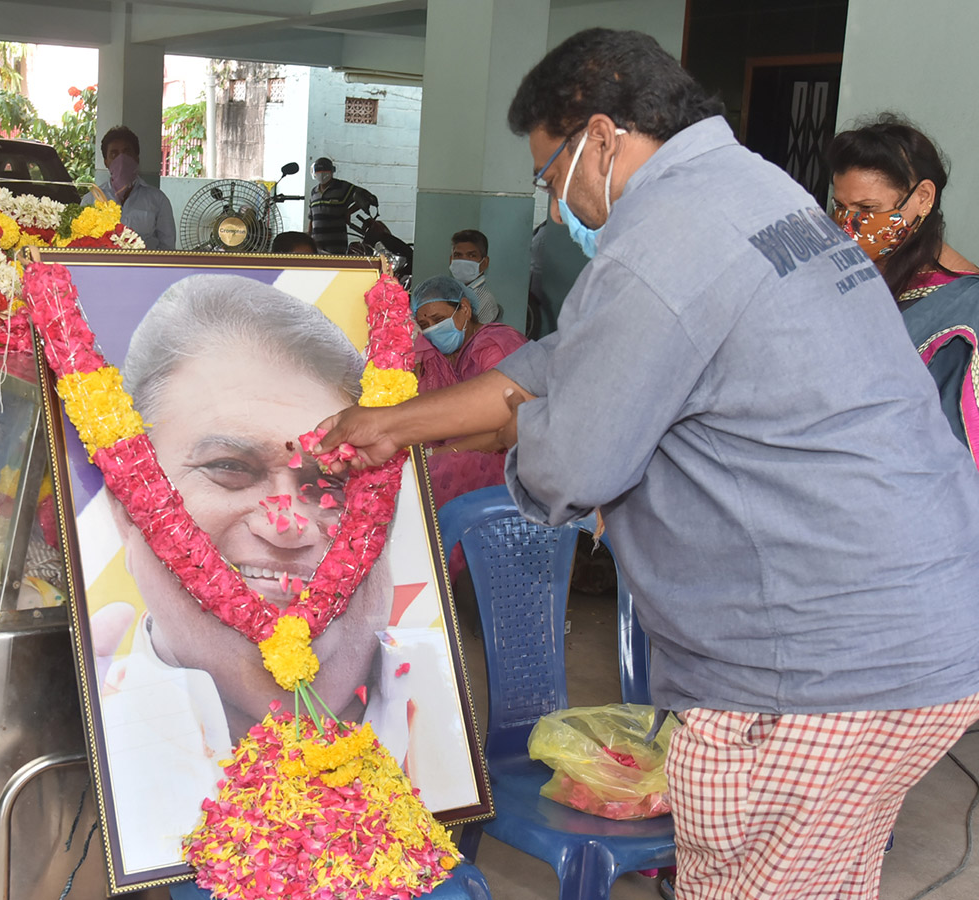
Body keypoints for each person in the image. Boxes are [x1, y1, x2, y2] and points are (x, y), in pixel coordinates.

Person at [314, 28, 979, 900]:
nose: (555, 211)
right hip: (922, 636)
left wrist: (527, 447)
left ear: (602, 137)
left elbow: (574, 465)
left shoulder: (660, 240)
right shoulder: (755, 189)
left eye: (551, 178)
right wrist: (398, 426)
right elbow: (562, 367)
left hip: (808, 677)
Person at [84, 274, 474, 872]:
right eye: (228, 468)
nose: (287, 524)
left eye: (334, 480)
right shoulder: (108, 743)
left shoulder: (443, 711)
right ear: (124, 505)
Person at [827, 117, 979, 464]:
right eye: (840, 208)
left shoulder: (965, 312)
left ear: (923, 198)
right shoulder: (839, 280)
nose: (850, 225)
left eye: (868, 210)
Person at [412, 274, 526, 511]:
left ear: (465, 308)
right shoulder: (443, 356)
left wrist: (443, 452)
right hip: (466, 448)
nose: (433, 330)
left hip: (511, 457)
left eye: (439, 319)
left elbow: (506, 430)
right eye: (425, 325)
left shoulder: (493, 348)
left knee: (430, 475)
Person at [82, 126, 176, 250]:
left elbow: (167, 248)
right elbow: (81, 243)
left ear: (136, 158)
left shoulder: (158, 200)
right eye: (114, 154)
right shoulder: (91, 200)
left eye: (127, 153)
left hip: (145, 268)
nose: (121, 160)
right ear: (106, 162)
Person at [307, 157, 373, 255]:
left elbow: (366, 197)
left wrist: (349, 211)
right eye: (318, 170)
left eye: (324, 170)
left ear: (332, 171)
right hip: (317, 246)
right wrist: (309, 238)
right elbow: (312, 218)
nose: (321, 173)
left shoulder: (343, 187)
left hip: (336, 246)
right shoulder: (314, 192)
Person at [448, 229, 501, 323]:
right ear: (451, 260)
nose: (464, 261)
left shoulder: (484, 301)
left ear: (484, 263)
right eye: (458, 255)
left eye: (472, 256)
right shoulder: (448, 291)